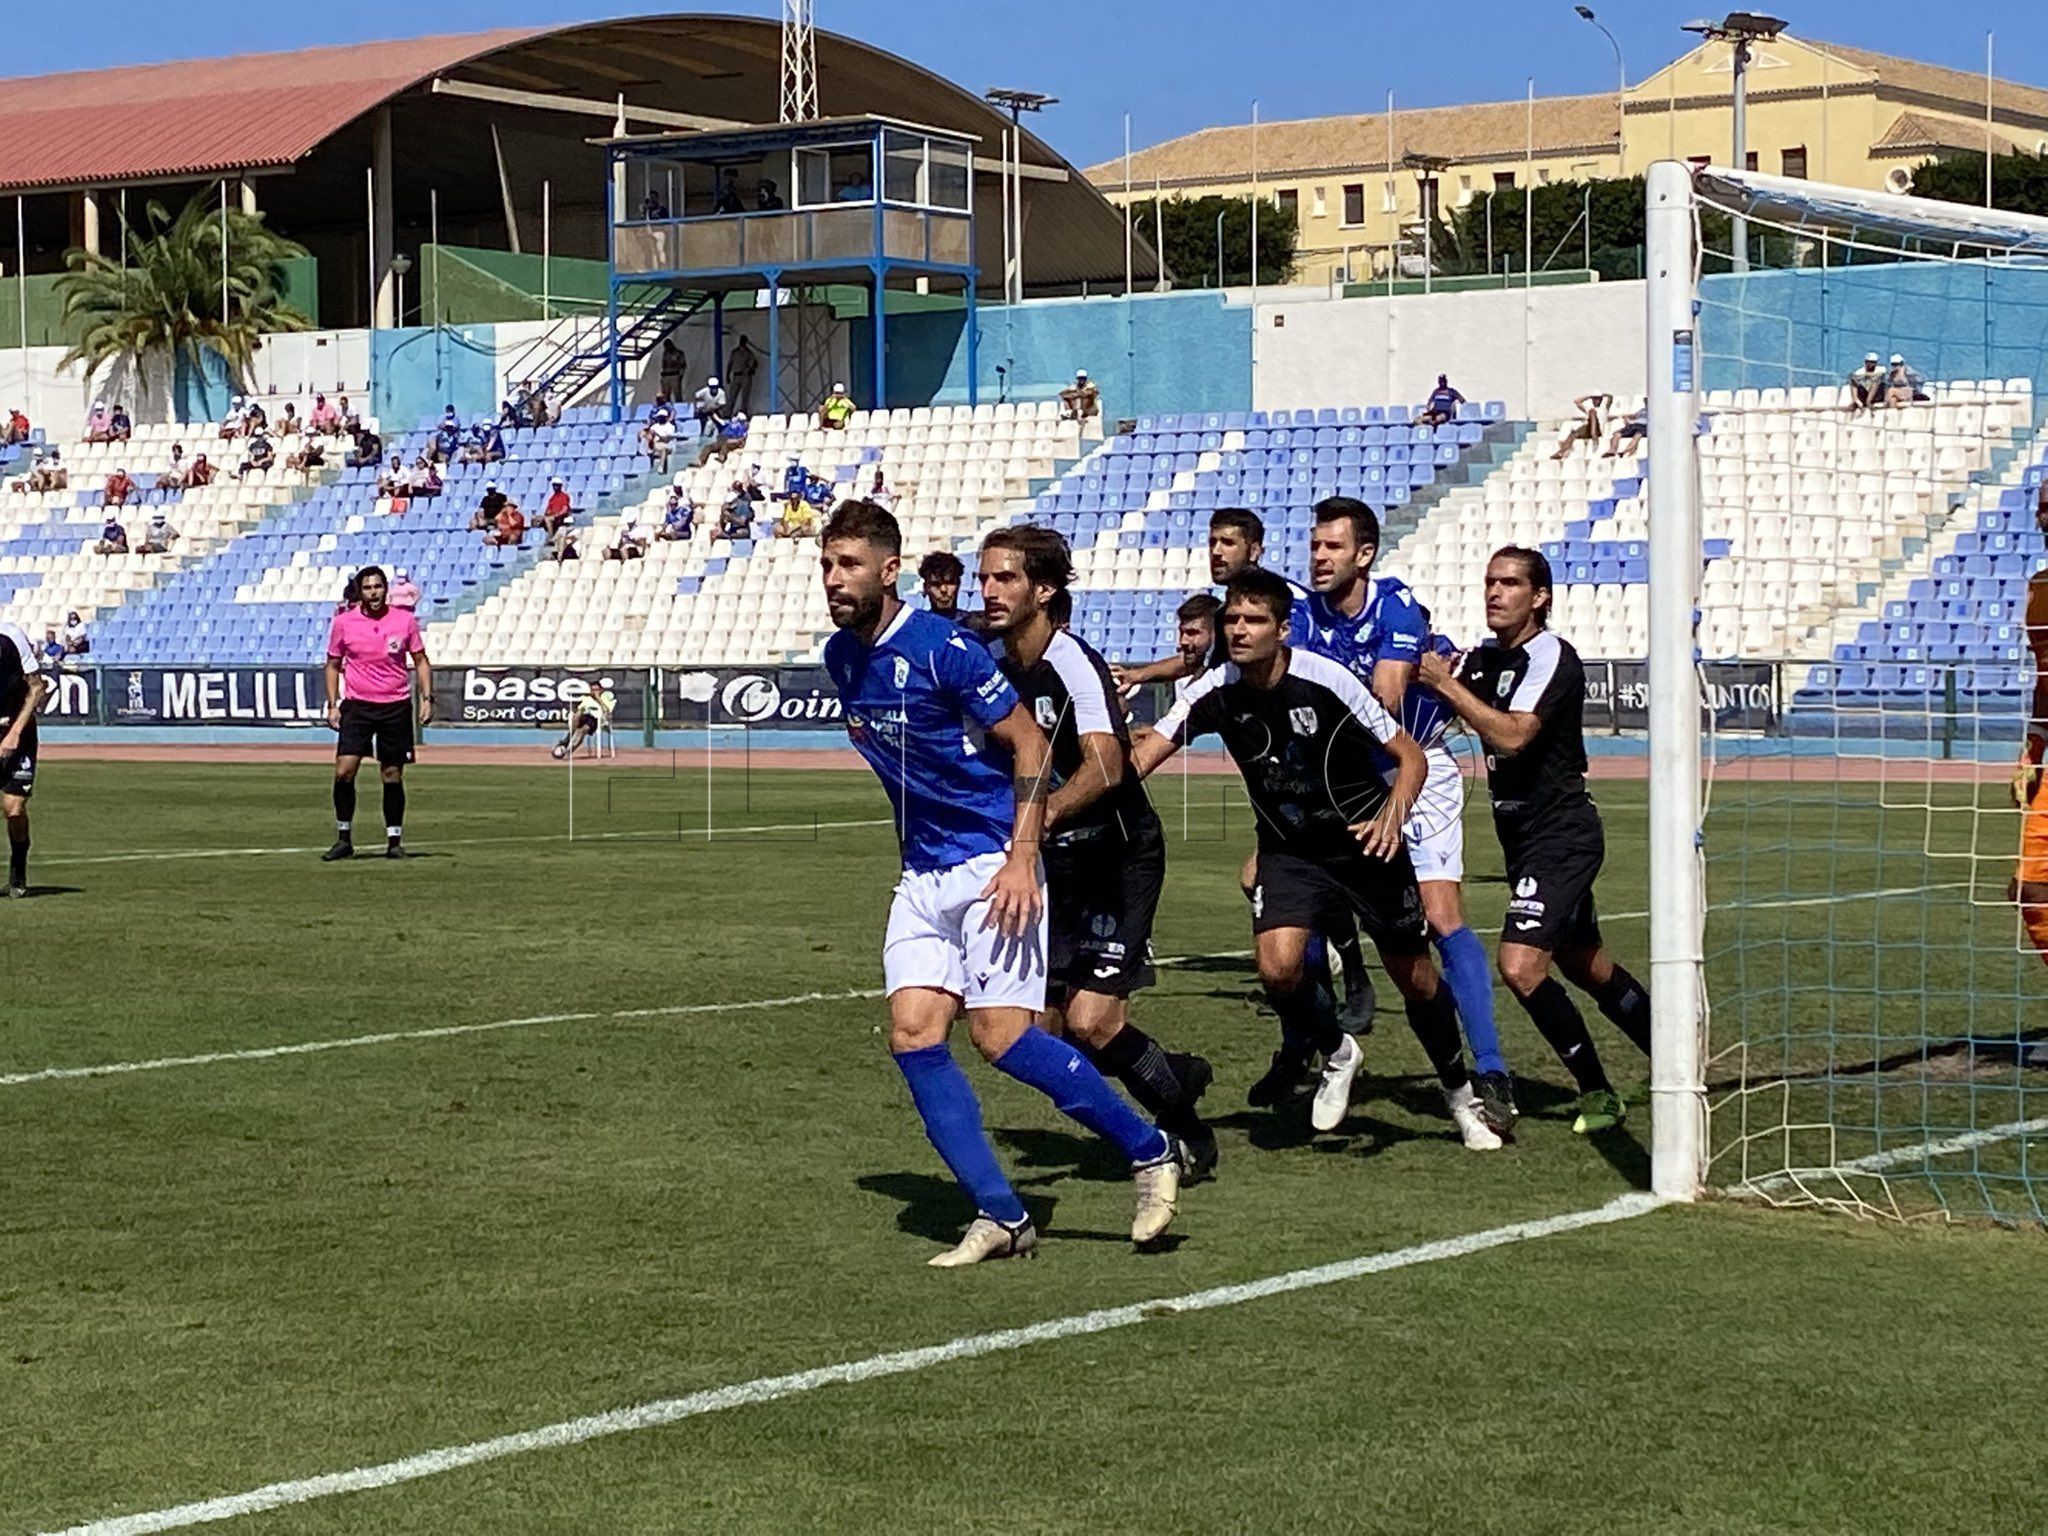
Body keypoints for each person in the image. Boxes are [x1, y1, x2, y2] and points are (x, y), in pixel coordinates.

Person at [819, 499, 1185, 1264]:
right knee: (913, 1034)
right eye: (826, 564)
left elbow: (1030, 748)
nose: (833, 578)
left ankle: (1150, 1148)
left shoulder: (945, 649)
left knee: (1004, 1040)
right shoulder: (840, 658)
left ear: (891, 573)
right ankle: (1004, 1216)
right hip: (924, 875)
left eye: (849, 564)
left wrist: (1022, 856)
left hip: (994, 862)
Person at [1132, 570, 1500, 1150]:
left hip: (1362, 846)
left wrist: (1392, 817)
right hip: (1290, 851)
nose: (1239, 630)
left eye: (1254, 620)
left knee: (1417, 980)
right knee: (1278, 968)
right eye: (1231, 619)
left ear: (1282, 630)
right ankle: (1338, 1050)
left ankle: (1460, 1095)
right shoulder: (1210, 690)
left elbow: (1409, 757)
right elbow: (1142, 759)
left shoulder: (1325, 680)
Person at [980, 524, 1218, 1177]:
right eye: (985, 577)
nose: (990, 590)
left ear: (1044, 589)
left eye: (1006, 578)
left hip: (1117, 856)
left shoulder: (1071, 661)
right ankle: (1172, 1072)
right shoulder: (997, 668)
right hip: (1057, 866)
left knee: (1092, 1020)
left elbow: (1110, 767)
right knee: (1046, 1034)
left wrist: (1043, 812)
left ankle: (1185, 1134)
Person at [1112, 507, 1376, 1055]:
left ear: (1255, 550)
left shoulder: (1282, 608)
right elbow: (1197, 673)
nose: (1217, 552)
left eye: (1229, 543)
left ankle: (1350, 980)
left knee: (1291, 887)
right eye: (1212, 541)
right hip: (1276, 785)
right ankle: (1307, 1036)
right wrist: (1139, 676)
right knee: (1271, 897)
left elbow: (1311, 670)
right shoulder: (1227, 618)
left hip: (1320, 772)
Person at [1299, 497, 1515, 1131]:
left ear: (1363, 555)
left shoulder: (1394, 606)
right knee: (1288, 906)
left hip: (1417, 769)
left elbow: (1386, 697)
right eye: (1315, 546)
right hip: (1344, 780)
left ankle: (1492, 1069)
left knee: (1441, 915)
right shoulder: (1303, 616)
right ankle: (1326, 1048)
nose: (1319, 557)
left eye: (1333, 547)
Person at [1418, 547, 1650, 1135]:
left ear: (1539, 597)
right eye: (1490, 581)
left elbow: (1515, 735)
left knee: (1520, 967)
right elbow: (1428, 708)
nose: (1495, 592)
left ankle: (1599, 1092)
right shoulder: (1481, 659)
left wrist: (1449, 687)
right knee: (1588, 965)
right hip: (1522, 837)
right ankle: (1679, 1059)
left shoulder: (1552, 656)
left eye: (1511, 583)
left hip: (1562, 832)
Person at [322, 565, 430, 863]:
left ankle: (394, 840)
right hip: (357, 705)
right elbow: (332, 664)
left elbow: (420, 660)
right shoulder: (344, 623)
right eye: (367, 588)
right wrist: (333, 704)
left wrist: (427, 698)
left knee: (391, 774)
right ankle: (344, 838)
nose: (373, 593)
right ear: (361, 591)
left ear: (386, 589)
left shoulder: (404, 620)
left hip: (395, 705)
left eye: (378, 587)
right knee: (344, 770)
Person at [2009, 483, 2048, 984]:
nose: (2041, 517)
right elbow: (2046, 680)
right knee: (2031, 889)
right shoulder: (2039, 588)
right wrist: (2032, 751)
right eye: (2040, 508)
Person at [0, 619, 51, 898]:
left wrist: (15, 732)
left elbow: (37, 686)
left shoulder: (10, 636)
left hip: (18, 734)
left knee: (13, 809)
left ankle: (17, 873)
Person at [552, 682, 617, 759]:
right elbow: (581, 709)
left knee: (582, 730)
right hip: (586, 716)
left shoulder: (607, 697)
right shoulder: (587, 698)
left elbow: (607, 711)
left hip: (598, 719)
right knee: (577, 715)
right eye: (593, 690)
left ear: (601, 689)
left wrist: (598, 699)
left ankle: (567, 747)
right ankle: (567, 740)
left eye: (597, 689)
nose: (595, 692)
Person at [1553, 392, 1611, 460]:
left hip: (1598, 430)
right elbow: (1577, 401)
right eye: (1594, 399)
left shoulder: (1604, 408)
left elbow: (1610, 397)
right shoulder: (1589, 409)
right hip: (1589, 429)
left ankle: (1594, 434)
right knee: (1573, 434)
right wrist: (1590, 396)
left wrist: (1601, 395)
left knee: (1592, 412)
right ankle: (1561, 452)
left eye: (1598, 399)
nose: (1596, 400)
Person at [919, 550, 966, 621]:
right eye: (936, 584)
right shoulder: (919, 628)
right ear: (925, 588)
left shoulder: (973, 626)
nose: (943, 589)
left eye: (949, 583)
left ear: (958, 584)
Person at [727, 335, 760, 414]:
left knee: (745, 396)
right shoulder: (734, 352)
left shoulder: (749, 353)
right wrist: (727, 375)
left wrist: (750, 369)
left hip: (745, 376)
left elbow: (754, 364)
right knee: (732, 396)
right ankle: (728, 413)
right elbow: (730, 364)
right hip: (736, 375)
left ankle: (744, 413)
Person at [659, 476, 695, 541]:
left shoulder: (684, 509)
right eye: (671, 504)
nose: (672, 505)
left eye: (674, 504)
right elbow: (667, 522)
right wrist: (661, 531)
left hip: (685, 533)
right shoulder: (670, 513)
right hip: (674, 531)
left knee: (673, 533)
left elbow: (683, 522)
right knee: (658, 534)